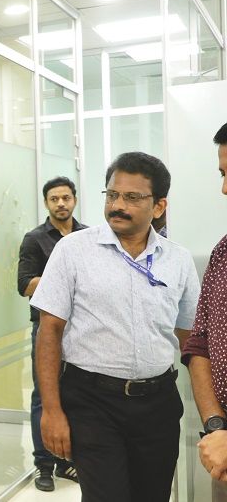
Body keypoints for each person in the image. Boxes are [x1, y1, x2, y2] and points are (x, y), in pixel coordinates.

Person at [31, 152, 200, 502]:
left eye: (132, 197)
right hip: (92, 402)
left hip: (158, 404)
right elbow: (49, 331)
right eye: (112, 195)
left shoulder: (178, 260)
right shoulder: (73, 250)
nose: (117, 205)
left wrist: (213, 411)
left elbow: (191, 340)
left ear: (159, 206)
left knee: (153, 495)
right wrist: (51, 410)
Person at [17, 176, 86, 491]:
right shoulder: (35, 239)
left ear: (74, 200)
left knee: (77, 392)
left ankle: (67, 460)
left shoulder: (88, 236)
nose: (61, 203)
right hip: (46, 328)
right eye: (54, 199)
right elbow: (24, 285)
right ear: (46, 203)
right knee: (43, 395)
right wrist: (63, 279)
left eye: (66, 198)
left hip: (82, 327)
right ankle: (43, 465)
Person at [182, 122, 227, 501]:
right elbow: (199, 343)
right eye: (223, 174)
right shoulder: (223, 253)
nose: (224, 189)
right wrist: (216, 427)